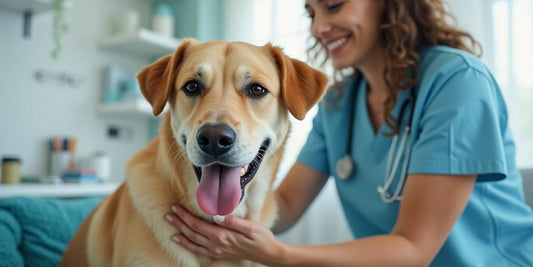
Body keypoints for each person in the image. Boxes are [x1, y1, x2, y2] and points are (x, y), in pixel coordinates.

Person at [164, 0, 533, 266]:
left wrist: (278, 255)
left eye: (334, 6)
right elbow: (287, 205)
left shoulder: (457, 82)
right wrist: (208, 211)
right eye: (311, 12)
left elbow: (414, 249)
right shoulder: (338, 102)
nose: (318, 27)